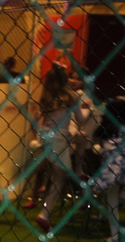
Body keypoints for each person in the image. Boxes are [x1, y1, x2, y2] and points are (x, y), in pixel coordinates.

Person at [34, 66, 91, 231]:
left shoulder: (46, 97)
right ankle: (44, 214)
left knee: (54, 176)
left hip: (46, 137)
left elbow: (37, 118)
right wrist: (89, 111)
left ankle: (45, 213)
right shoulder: (71, 97)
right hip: (60, 138)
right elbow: (80, 119)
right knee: (60, 178)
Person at [91, 95, 125, 242]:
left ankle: (115, 235)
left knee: (112, 203)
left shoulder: (107, 134)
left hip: (111, 172)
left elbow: (99, 150)